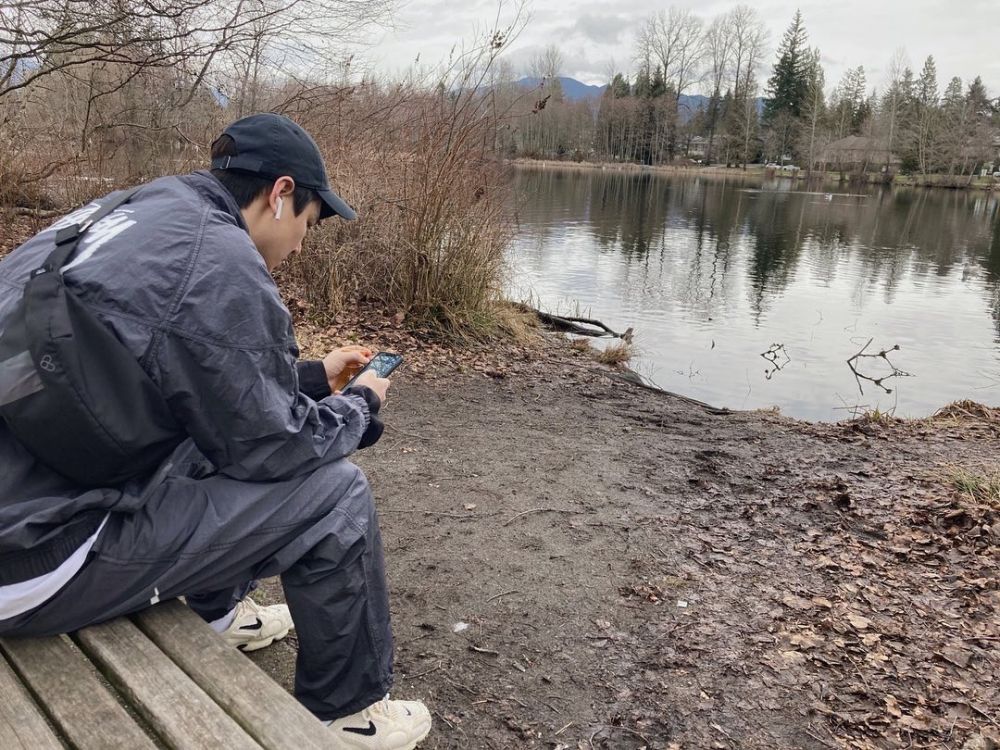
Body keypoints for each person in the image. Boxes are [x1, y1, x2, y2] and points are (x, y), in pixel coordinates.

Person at [0, 113, 432, 749]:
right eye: (309, 225)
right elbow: (277, 446)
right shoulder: (219, 258)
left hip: (24, 492)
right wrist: (363, 405)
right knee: (335, 494)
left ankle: (217, 614)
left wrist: (311, 376)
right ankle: (352, 713)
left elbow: (191, 375)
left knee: (208, 439)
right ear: (281, 193)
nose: (301, 246)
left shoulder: (140, 210)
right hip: (31, 561)